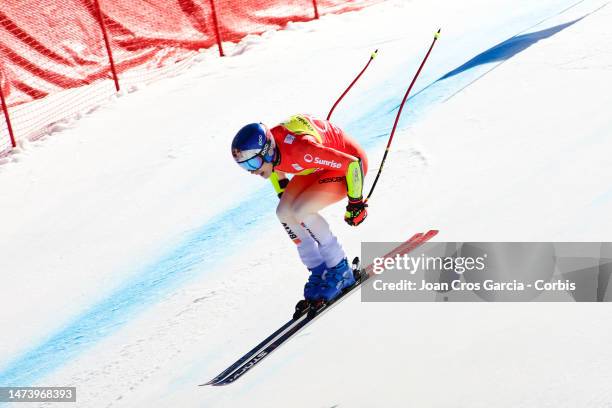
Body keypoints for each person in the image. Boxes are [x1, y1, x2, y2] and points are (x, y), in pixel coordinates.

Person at [231, 114, 368, 304]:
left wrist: (356, 202)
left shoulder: (300, 150)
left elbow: (352, 163)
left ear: (267, 152)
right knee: (284, 213)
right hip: (317, 167)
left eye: (253, 163)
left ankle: (340, 268)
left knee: (301, 210)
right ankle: (320, 270)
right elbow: (275, 170)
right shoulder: (273, 153)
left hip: (349, 169)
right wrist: (283, 191)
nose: (253, 171)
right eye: (245, 166)